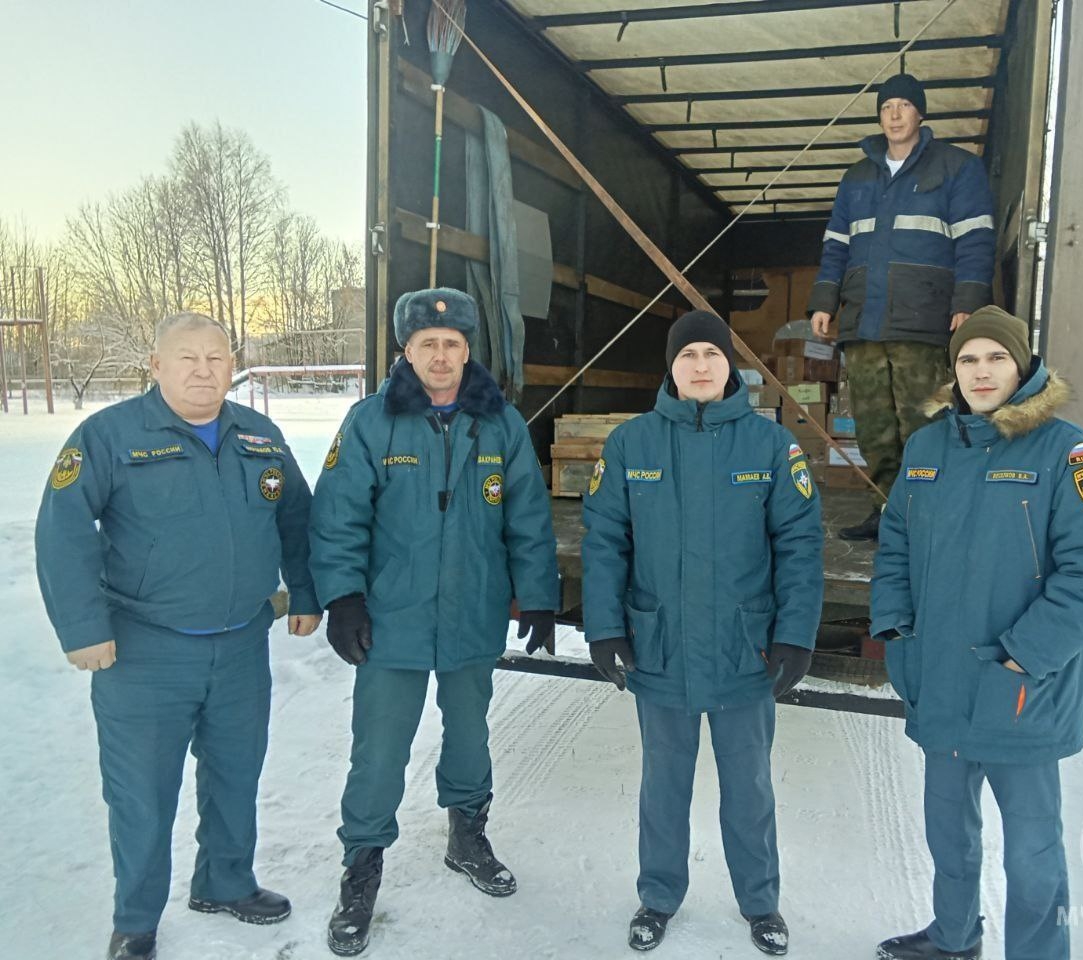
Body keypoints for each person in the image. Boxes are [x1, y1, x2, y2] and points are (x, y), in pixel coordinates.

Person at [34, 312, 321, 960]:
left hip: (242, 644)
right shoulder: (110, 436)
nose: (202, 370)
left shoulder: (259, 435)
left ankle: (224, 883)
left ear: (232, 365)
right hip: (144, 652)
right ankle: (135, 920)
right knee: (142, 790)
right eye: (186, 357)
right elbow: (63, 531)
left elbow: (297, 518)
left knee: (236, 775)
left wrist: (303, 592)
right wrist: (83, 628)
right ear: (155, 366)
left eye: (216, 358)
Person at [869, 306, 1083, 960]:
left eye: (995, 358)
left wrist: (1023, 657)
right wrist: (897, 631)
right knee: (948, 836)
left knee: (1033, 851)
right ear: (952, 369)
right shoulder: (927, 447)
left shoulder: (1068, 450)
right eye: (968, 359)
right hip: (940, 684)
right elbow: (896, 542)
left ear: (1021, 365)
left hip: (1021, 692)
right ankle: (953, 939)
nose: (981, 372)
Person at [309, 287, 560, 957]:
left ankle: (467, 835)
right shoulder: (371, 422)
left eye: (452, 345)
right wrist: (344, 599)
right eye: (428, 346)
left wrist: (538, 595)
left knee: (471, 732)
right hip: (391, 621)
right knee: (380, 748)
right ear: (407, 352)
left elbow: (528, 517)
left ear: (468, 350)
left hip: (473, 615)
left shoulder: (500, 424)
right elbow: (338, 517)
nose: (441, 357)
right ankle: (361, 868)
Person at [582, 310, 824, 957]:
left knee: (748, 788)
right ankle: (658, 897)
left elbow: (799, 546)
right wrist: (605, 628)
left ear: (730, 365)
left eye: (710, 356)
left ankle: (760, 903)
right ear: (671, 366)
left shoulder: (770, 446)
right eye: (687, 355)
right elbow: (605, 543)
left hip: (745, 651)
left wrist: (796, 635)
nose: (699, 366)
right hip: (659, 649)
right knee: (664, 785)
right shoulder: (632, 444)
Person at [808, 72, 996, 541]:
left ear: (921, 113)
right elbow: (835, 245)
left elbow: (976, 240)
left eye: (904, 106)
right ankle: (888, 512)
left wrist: (968, 301)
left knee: (926, 423)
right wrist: (824, 301)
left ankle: (930, 515)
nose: (894, 114)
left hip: (924, 320)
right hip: (863, 323)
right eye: (886, 106)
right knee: (874, 428)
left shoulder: (956, 167)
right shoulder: (857, 177)